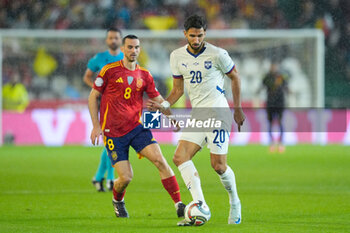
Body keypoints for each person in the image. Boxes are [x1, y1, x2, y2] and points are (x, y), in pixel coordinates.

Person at [147, 15, 245, 225]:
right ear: (185, 34)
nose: (197, 39)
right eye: (192, 35)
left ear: (205, 33)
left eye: (200, 35)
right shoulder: (176, 56)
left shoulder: (218, 54)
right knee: (180, 156)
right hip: (199, 115)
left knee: (218, 166)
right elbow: (178, 90)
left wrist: (237, 108)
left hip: (218, 113)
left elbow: (235, 76)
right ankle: (200, 206)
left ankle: (235, 201)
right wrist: (164, 105)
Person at [88, 34, 186, 218]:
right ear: (123, 49)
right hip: (113, 133)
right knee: (126, 177)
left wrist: (171, 118)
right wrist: (96, 125)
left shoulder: (145, 75)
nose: (134, 51)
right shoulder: (109, 71)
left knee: (160, 160)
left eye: (137, 47)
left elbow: (158, 99)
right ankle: (117, 200)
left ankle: (179, 204)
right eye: (130, 47)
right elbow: (93, 96)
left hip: (136, 128)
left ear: (140, 50)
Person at [83, 27, 124, 192]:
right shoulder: (99, 58)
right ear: (107, 40)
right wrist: (97, 91)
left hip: (122, 105)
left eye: (116, 38)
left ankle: (99, 177)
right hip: (105, 105)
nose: (113, 40)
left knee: (111, 142)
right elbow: (87, 76)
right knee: (112, 141)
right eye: (111, 38)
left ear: (120, 40)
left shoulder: (126, 57)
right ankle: (109, 178)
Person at [256, 61, 289, 153]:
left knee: (280, 122)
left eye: (274, 66)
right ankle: (272, 143)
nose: (273, 68)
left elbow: (286, 86)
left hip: (280, 103)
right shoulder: (267, 77)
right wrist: (257, 92)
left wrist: (289, 92)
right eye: (272, 66)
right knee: (270, 123)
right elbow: (262, 86)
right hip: (270, 103)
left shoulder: (281, 76)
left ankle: (281, 143)